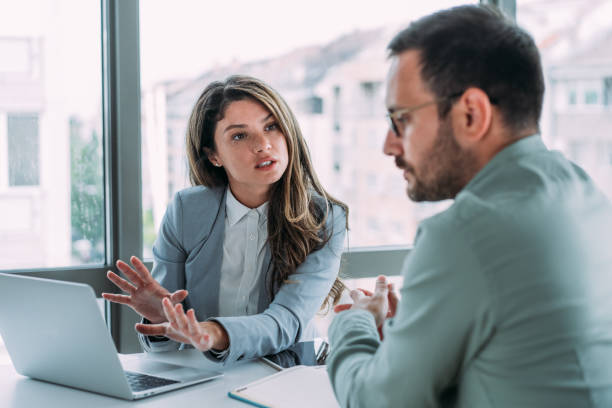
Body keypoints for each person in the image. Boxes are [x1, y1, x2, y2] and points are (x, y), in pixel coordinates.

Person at [327, 5, 612, 407]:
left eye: (401, 120)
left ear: (471, 114)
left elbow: (375, 402)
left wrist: (351, 323)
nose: (388, 145)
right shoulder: (582, 192)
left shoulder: (465, 233)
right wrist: (418, 331)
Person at [102, 75, 348, 364]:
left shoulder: (325, 219)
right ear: (214, 155)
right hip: (203, 377)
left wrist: (212, 333)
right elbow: (167, 345)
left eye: (271, 126)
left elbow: (286, 322)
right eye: (239, 135)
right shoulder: (186, 211)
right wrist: (161, 324)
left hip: (286, 374)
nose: (263, 145)